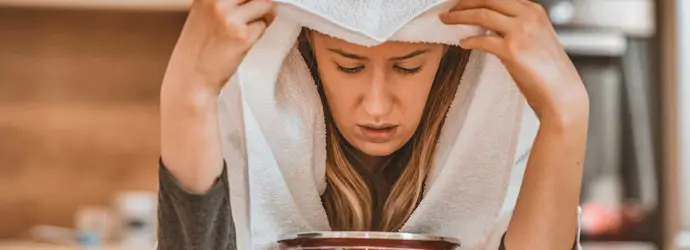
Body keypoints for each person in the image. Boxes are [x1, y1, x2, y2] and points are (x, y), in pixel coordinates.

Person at [157, 0, 589, 249]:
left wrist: (567, 113)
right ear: (303, 56)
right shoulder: (257, 141)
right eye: (348, 66)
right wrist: (186, 90)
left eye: (408, 67)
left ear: (449, 60)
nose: (377, 106)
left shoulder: (500, 139)